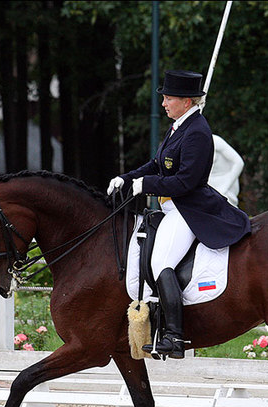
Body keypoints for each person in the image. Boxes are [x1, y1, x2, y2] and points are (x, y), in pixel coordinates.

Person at [107, 69, 251, 359]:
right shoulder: (179, 126)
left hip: (189, 209)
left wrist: (143, 186)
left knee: (161, 263)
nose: (164, 104)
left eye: (169, 98)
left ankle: (174, 335)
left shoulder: (198, 132)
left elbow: (187, 182)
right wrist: (127, 178)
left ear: (187, 101)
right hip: (172, 207)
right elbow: (157, 164)